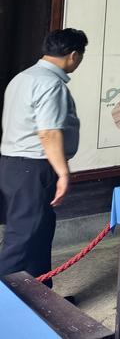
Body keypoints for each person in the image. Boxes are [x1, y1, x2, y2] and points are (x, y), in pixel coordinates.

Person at [0, 28, 87, 283]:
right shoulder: (51, 84)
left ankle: (41, 297)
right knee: (23, 239)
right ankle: (5, 303)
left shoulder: (23, 77)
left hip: (14, 165)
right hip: (34, 167)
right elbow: (48, 132)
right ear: (73, 55)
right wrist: (63, 173)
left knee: (39, 234)